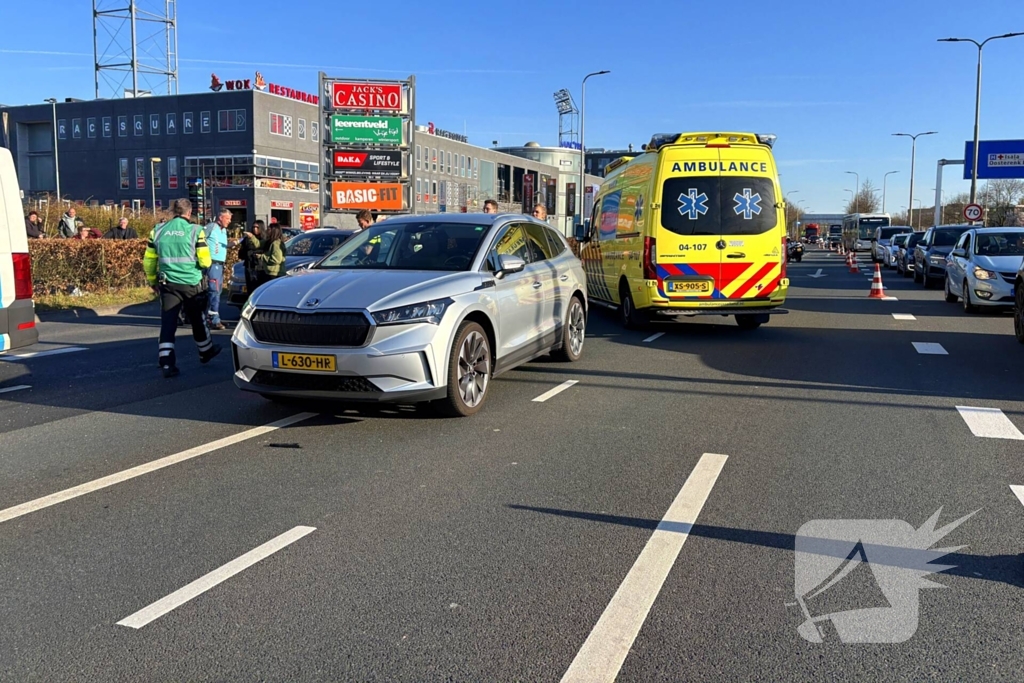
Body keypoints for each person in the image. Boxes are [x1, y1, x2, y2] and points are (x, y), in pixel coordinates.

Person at [143, 197, 221, 379]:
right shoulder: (196, 231)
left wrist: (153, 280)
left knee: (168, 323)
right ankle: (205, 351)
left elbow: (149, 260)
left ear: (173, 211)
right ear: (189, 212)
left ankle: (166, 362)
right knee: (197, 319)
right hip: (191, 284)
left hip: (168, 284)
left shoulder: (158, 230)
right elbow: (205, 260)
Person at [204, 208, 231, 330]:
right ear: (220, 217)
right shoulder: (211, 227)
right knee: (213, 291)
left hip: (220, 264)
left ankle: (214, 317)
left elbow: (222, 245)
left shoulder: (224, 230)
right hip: (212, 263)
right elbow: (198, 240)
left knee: (217, 291)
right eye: (227, 218)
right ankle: (214, 320)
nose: (229, 221)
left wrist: (239, 241)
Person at [245, 221, 286, 286]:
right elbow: (258, 244)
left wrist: (262, 257)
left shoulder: (276, 243)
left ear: (274, 231)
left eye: (269, 229)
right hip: (269, 272)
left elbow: (276, 260)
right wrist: (251, 236)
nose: (267, 231)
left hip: (275, 274)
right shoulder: (269, 241)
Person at [238, 219, 264, 295]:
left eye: (257, 227)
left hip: (259, 267)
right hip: (249, 266)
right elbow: (241, 253)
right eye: (253, 227)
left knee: (258, 288)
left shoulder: (264, 239)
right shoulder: (247, 239)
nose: (255, 229)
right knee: (250, 288)